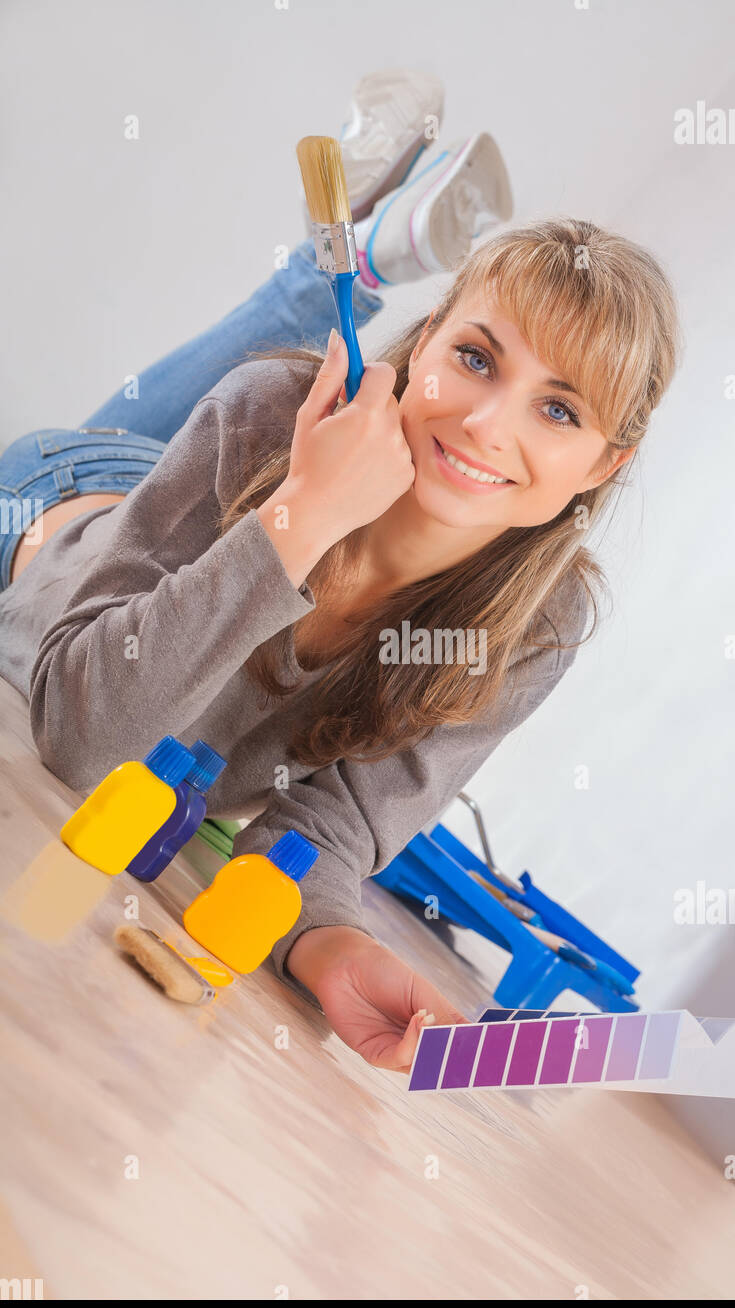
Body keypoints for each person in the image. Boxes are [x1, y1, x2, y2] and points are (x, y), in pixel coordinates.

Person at [0, 71, 681, 1073]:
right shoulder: (272, 414)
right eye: (478, 358)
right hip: (56, 510)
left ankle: (361, 254)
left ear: (604, 464)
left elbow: (339, 818)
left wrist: (326, 943)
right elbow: (81, 735)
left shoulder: (542, 623)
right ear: (431, 339)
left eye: (558, 410)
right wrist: (305, 513)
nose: (486, 425)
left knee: (268, 392)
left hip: (200, 505)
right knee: (265, 389)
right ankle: (349, 264)